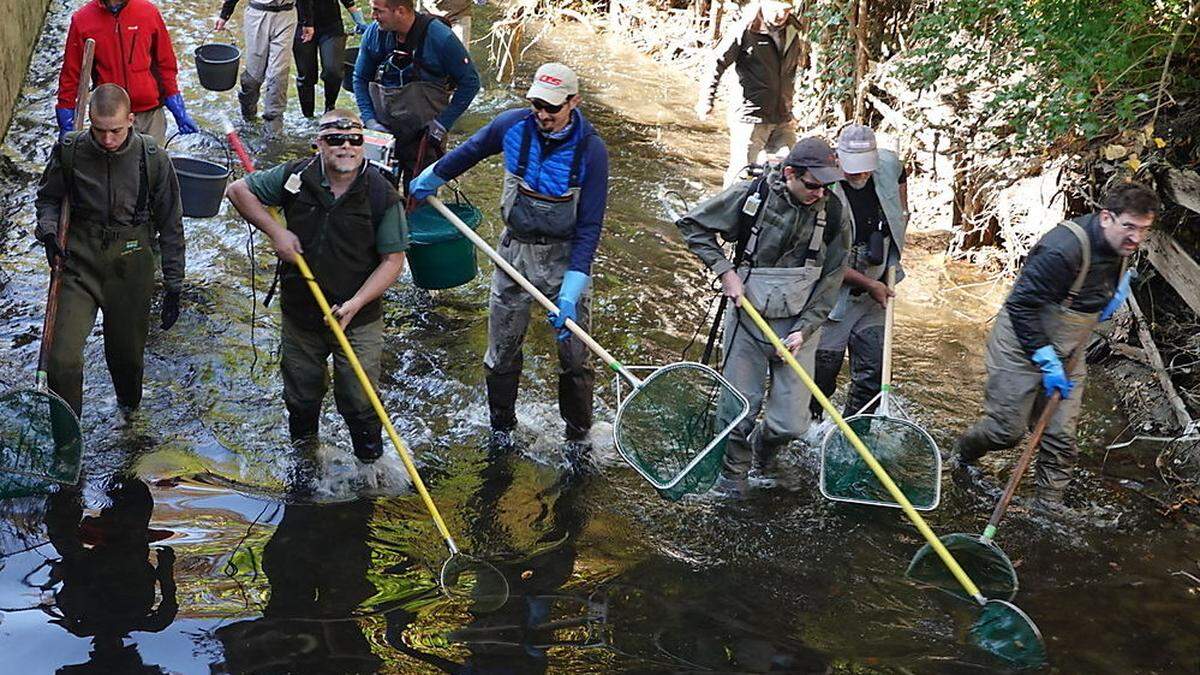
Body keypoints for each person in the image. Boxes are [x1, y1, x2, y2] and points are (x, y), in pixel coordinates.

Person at [408, 63, 608, 449]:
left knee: (576, 358)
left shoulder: (591, 151)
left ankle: (578, 438)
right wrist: (433, 177)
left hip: (565, 259)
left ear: (574, 102)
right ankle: (502, 430)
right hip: (513, 253)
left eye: (553, 107)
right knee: (500, 352)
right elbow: (469, 151)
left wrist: (571, 288)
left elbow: (590, 229)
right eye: (537, 105)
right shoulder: (511, 126)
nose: (543, 115)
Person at [954, 182, 1158, 511]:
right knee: (1007, 431)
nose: (1136, 238)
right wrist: (1044, 357)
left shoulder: (1120, 250)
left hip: (1069, 352)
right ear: (1106, 218)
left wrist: (1108, 298)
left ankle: (1048, 510)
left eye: (1144, 230)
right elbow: (1020, 306)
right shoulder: (1062, 249)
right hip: (1020, 345)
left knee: (1060, 437)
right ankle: (961, 455)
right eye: (1129, 227)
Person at [225, 109, 409, 462]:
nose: (346, 147)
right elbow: (238, 191)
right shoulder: (296, 177)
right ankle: (305, 461)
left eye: (354, 140)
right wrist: (276, 231)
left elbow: (393, 262)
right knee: (301, 396)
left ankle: (369, 467)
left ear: (363, 145)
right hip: (301, 313)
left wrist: (356, 302)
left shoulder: (381, 196)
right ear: (319, 145)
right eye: (335, 140)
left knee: (359, 400)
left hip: (357, 318)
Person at [676, 137, 850, 497]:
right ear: (789, 174)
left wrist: (805, 329)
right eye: (813, 185)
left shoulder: (834, 211)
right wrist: (726, 272)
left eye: (828, 186)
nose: (821, 193)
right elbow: (692, 226)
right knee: (738, 408)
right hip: (748, 315)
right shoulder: (749, 197)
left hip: (801, 321)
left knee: (790, 424)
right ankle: (733, 476)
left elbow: (833, 277)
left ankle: (765, 452)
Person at [35, 83, 185, 418]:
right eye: (99, 130)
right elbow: (47, 198)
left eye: (115, 130)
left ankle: (129, 418)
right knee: (61, 360)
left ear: (131, 120)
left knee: (127, 360)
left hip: (131, 264)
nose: (107, 139)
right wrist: (47, 230)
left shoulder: (153, 159)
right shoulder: (70, 150)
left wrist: (174, 284)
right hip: (78, 262)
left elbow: (171, 224)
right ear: (89, 122)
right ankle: (67, 433)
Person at [810, 125, 908, 421]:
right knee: (821, 376)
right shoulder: (822, 189)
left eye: (865, 169)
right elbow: (823, 262)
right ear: (838, 159)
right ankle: (809, 433)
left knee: (873, 374)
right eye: (853, 169)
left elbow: (902, 193)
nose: (860, 175)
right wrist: (868, 283)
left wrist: (896, 231)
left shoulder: (889, 165)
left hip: (877, 285)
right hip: (832, 295)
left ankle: (855, 433)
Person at [353, 0, 481, 185]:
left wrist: (442, 124)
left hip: (425, 136)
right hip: (382, 133)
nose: (373, 17)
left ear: (400, 11)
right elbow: (359, 79)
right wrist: (370, 120)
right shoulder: (374, 34)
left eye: (378, 11)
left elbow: (470, 82)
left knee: (419, 201)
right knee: (377, 197)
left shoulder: (440, 37)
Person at [55, 0, 199, 144]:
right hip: (110, 120)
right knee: (113, 165)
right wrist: (66, 124)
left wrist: (178, 109)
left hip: (149, 113)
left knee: (153, 163)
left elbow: (165, 63)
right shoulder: (82, 20)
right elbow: (71, 75)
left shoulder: (148, 13)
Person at [695, 0, 802, 187]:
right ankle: (727, 211)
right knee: (742, 174)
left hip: (782, 115)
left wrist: (791, 107)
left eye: (786, 10)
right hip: (750, 116)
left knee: (791, 170)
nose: (781, 15)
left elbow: (790, 72)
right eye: (776, 9)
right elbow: (717, 62)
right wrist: (706, 99)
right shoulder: (746, 28)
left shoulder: (792, 29)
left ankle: (771, 212)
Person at [216, 0, 314, 130]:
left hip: (287, 15)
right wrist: (225, 15)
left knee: (278, 76)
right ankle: (248, 119)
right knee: (252, 78)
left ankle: (274, 129)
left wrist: (308, 21)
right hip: (257, 14)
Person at [294, 0, 371, 117]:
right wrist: (307, 23)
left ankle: (330, 108)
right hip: (300, 24)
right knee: (306, 75)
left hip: (331, 24)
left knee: (334, 71)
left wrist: (357, 17)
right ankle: (308, 116)